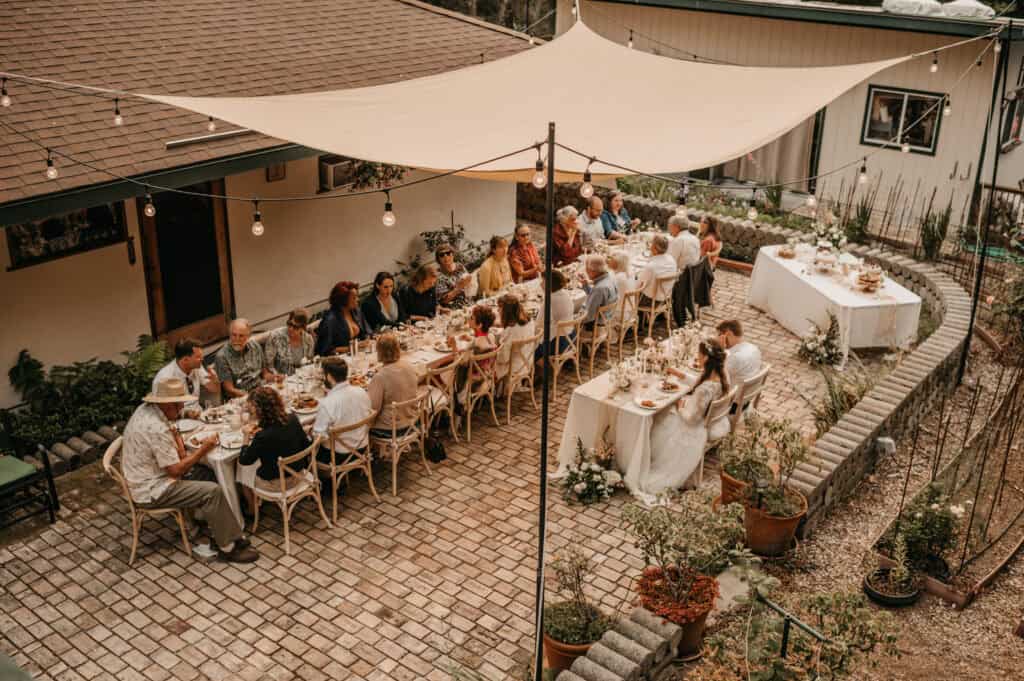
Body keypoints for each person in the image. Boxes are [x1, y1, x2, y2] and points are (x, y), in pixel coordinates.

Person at [121, 378, 257, 563]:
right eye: (178, 406)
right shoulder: (155, 428)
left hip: (147, 474)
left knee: (211, 473)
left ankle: (227, 531)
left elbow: (174, 434)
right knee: (212, 491)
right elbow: (175, 471)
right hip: (152, 489)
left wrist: (180, 441)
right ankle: (227, 548)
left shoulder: (148, 411)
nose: (180, 411)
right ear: (166, 403)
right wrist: (203, 449)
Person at [641, 339, 731, 502]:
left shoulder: (705, 389)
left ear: (705, 358)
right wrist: (678, 373)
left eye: (699, 354)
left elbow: (691, 419)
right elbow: (699, 383)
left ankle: (642, 453)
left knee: (660, 416)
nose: (697, 357)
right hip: (707, 421)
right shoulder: (721, 376)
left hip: (692, 431)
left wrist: (680, 404)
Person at [236, 387, 311, 513]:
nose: (250, 410)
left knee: (242, 470)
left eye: (252, 408)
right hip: (300, 475)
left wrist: (246, 437)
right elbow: (306, 445)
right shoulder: (292, 418)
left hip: (277, 485)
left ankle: (251, 508)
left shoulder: (263, 436)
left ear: (259, 409)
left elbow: (244, 460)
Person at [312, 357, 374, 452]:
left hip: (338, 455)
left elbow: (319, 437)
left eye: (323, 374)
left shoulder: (327, 403)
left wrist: (310, 431)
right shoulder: (362, 391)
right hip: (363, 447)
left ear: (328, 377)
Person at [366, 333, 420, 437]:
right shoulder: (409, 366)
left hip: (392, 428)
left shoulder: (380, 377)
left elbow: (373, 409)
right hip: (412, 420)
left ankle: (369, 450)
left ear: (379, 352)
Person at [152, 338, 220, 414]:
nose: (202, 359)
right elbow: (162, 410)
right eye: (198, 357)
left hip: (199, 413)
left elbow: (214, 389)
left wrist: (215, 380)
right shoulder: (165, 377)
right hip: (178, 417)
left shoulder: (197, 367)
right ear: (185, 360)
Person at [315, 281, 372, 356]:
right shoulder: (330, 320)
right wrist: (352, 347)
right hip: (340, 359)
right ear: (343, 300)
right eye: (354, 298)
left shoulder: (356, 311)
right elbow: (325, 350)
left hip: (361, 354)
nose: (358, 299)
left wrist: (368, 340)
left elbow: (368, 332)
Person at [215, 319, 266, 398]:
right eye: (234, 335)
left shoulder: (255, 346)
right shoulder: (222, 356)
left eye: (241, 336)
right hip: (241, 397)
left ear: (248, 336)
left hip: (260, 389)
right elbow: (229, 389)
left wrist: (275, 377)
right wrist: (248, 396)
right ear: (229, 335)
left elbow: (265, 374)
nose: (237, 339)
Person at [536, 270, 576, 360]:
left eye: (543, 281)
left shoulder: (549, 300)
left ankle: (533, 370)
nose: (540, 284)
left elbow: (538, 325)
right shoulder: (565, 294)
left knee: (529, 345)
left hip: (558, 345)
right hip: (571, 338)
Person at [495, 294, 536, 380]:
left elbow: (503, 359)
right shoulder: (529, 321)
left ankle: (489, 390)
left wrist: (494, 351)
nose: (497, 310)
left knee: (485, 363)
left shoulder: (510, 331)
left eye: (500, 308)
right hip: (527, 362)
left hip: (513, 368)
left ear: (507, 311)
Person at [264, 308, 314, 377]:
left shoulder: (308, 339)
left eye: (295, 327)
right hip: (281, 379)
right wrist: (276, 376)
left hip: (302, 377)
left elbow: (309, 362)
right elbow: (268, 365)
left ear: (303, 328)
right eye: (289, 324)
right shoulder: (275, 336)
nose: (291, 328)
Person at [718, 319, 762, 387]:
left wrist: (720, 349)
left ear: (728, 334)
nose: (718, 338)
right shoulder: (754, 348)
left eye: (720, 335)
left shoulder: (735, 357)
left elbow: (716, 374)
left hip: (735, 394)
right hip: (750, 390)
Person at [636, 234, 678, 308]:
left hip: (651, 301)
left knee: (631, 285)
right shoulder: (671, 259)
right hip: (666, 298)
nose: (650, 247)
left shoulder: (651, 266)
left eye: (651, 244)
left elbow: (639, 285)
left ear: (654, 248)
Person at [578, 255, 618, 329]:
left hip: (596, 326)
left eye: (587, 269)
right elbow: (597, 297)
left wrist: (575, 320)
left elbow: (588, 317)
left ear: (593, 271)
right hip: (608, 319)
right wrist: (585, 285)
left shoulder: (599, 289)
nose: (586, 272)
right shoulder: (610, 277)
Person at [435, 244, 473, 309]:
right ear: (438, 259)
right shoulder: (438, 276)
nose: (445, 256)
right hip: (454, 309)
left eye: (448, 253)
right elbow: (444, 301)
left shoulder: (460, 266)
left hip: (469, 303)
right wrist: (459, 288)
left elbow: (469, 283)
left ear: (452, 254)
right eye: (442, 255)